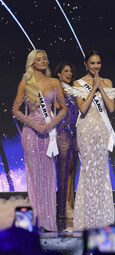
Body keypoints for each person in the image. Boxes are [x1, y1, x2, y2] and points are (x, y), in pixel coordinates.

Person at [64, 50, 115, 230]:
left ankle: (103, 217)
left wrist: (100, 87)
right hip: (86, 129)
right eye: (92, 63)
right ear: (85, 64)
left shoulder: (107, 82)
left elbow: (111, 107)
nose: (96, 66)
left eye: (98, 63)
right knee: (88, 169)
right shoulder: (78, 83)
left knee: (102, 169)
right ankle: (86, 217)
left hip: (102, 129)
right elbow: (82, 108)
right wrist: (93, 89)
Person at [12, 49, 67, 231]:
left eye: (44, 58)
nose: (43, 61)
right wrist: (35, 126)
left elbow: (63, 109)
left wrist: (51, 125)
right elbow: (16, 110)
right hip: (31, 135)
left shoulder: (54, 82)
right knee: (34, 178)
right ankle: (35, 223)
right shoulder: (25, 84)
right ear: (32, 63)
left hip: (49, 135)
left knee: (48, 177)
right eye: (38, 59)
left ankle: (48, 222)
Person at [53, 62, 79, 219]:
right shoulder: (55, 90)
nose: (69, 74)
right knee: (62, 170)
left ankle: (71, 203)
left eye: (71, 71)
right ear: (59, 74)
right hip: (62, 131)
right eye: (66, 71)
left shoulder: (74, 91)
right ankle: (62, 208)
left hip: (75, 132)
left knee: (71, 169)